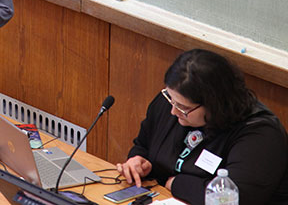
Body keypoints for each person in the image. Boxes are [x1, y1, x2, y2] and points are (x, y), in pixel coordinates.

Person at [116, 49, 288, 205]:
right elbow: (143, 145)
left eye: (183, 107)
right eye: (170, 99)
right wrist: (137, 161)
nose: (173, 111)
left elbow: (232, 198)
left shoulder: (260, 135)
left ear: (215, 105)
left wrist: (177, 184)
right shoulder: (172, 102)